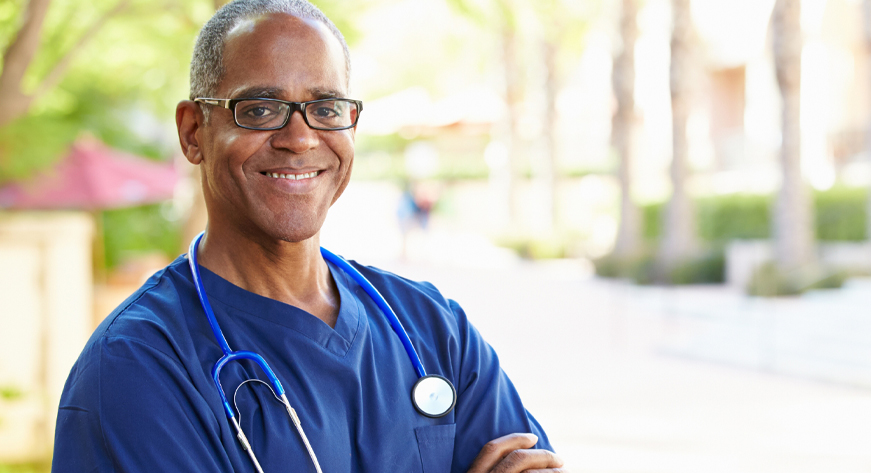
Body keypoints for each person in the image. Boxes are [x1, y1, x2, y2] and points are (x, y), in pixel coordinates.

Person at [50, 1, 565, 472]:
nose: (299, 139)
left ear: (352, 126)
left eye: (325, 108)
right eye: (258, 109)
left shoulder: (433, 330)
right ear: (193, 132)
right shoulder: (138, 366)